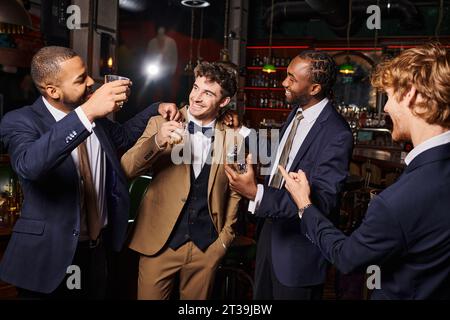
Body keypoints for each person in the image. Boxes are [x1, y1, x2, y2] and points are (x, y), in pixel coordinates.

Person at [0, 46, 180, 299]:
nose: (90, 82)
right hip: (48, 257)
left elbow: (124, 137)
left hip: (96, 250)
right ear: (52, 90)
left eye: (86, 74)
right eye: (80, 79)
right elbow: (30, 165)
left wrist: (155, 108)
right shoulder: (20, 120)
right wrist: (87, 113)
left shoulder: (95, 118)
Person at [279, 43, 450, 300]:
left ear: (410, 95)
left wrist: (304, 204)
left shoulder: (394, 202)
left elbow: (347, 258)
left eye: (389, 96)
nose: (385, 108)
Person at [224, 51, 353, 300]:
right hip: (269, 235)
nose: (284, 83)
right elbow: (280, 155)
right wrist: (241, 131)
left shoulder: (337, 134)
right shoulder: (297, 113)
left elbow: (322, 204)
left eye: (292, 79)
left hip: (298, 255)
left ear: (314, 87)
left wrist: (256, 193)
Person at [121, 61, 246, 300]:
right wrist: (156, 141)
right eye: (195, 88)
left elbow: (235, 192)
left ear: (224, 102)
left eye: (208, 93)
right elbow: (126, 168)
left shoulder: (234, 138)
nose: (196, 97)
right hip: (159, 243)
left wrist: (223, 241)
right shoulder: (160, 123)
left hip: (206, 247)